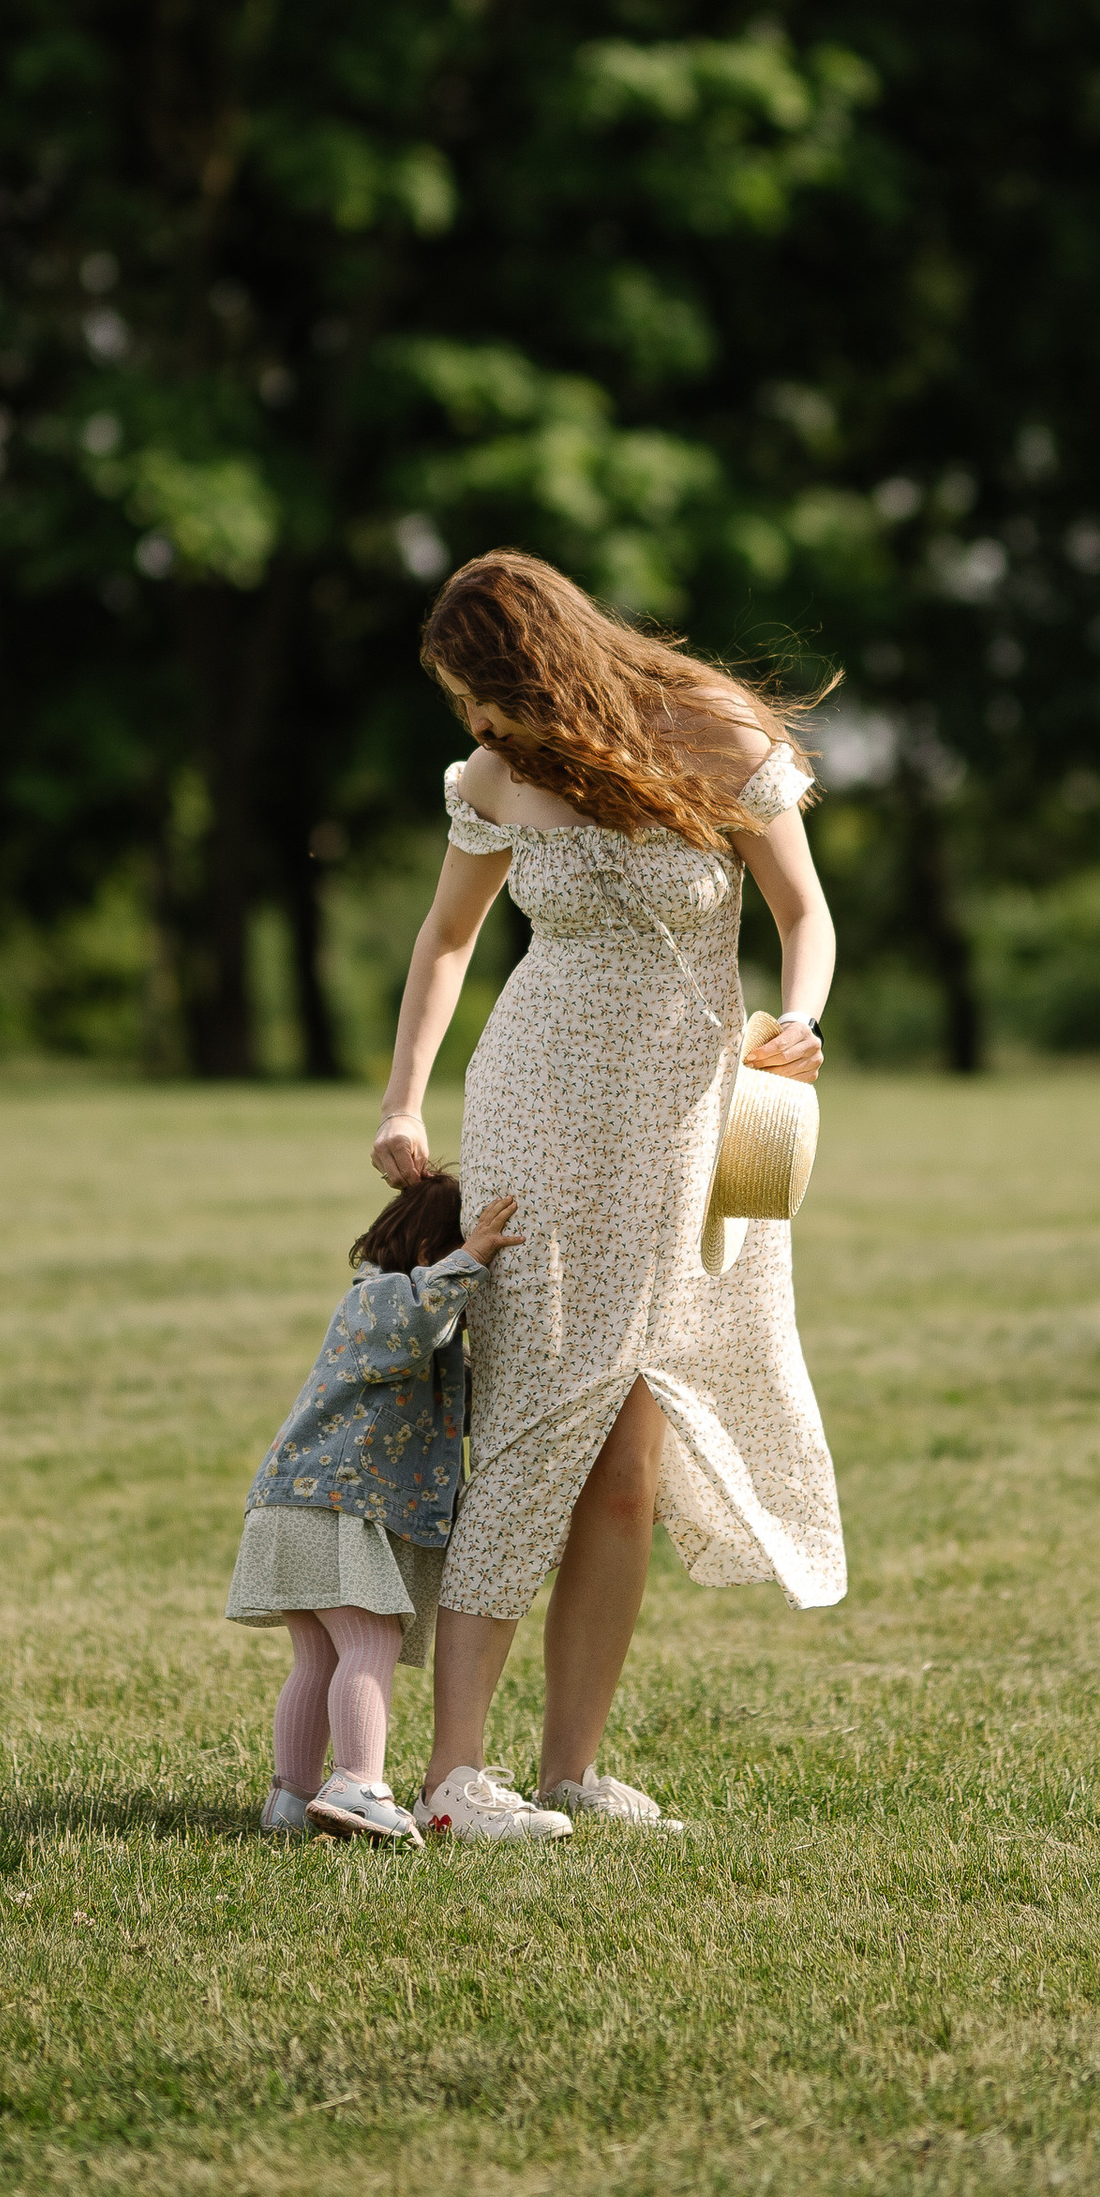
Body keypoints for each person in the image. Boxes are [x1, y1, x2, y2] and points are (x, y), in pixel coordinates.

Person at [372, 547, 844, 1843]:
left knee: (630, 1456)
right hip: (539, 1101)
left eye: (480, 689)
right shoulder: (497, 776)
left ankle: (572, 1767)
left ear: (536, 661)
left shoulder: (715, 734)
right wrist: (406, 1100)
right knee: (531, 1418)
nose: (472, 723)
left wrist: (798, 1019)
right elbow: (450, 938)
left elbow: (804, 914)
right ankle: (457, 1779)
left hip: (687, 1120)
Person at [225, 1166, 544, 1849]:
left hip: (302, 1502)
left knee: (318, 1656)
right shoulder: (383, 1298)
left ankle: (291, 1796)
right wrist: (473, 1259)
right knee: (371, 1639)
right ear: (432, 1248)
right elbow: (414, 1324)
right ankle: (358, 1784)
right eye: (463, 1252)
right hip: (329, 1504)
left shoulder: (411, 1318)